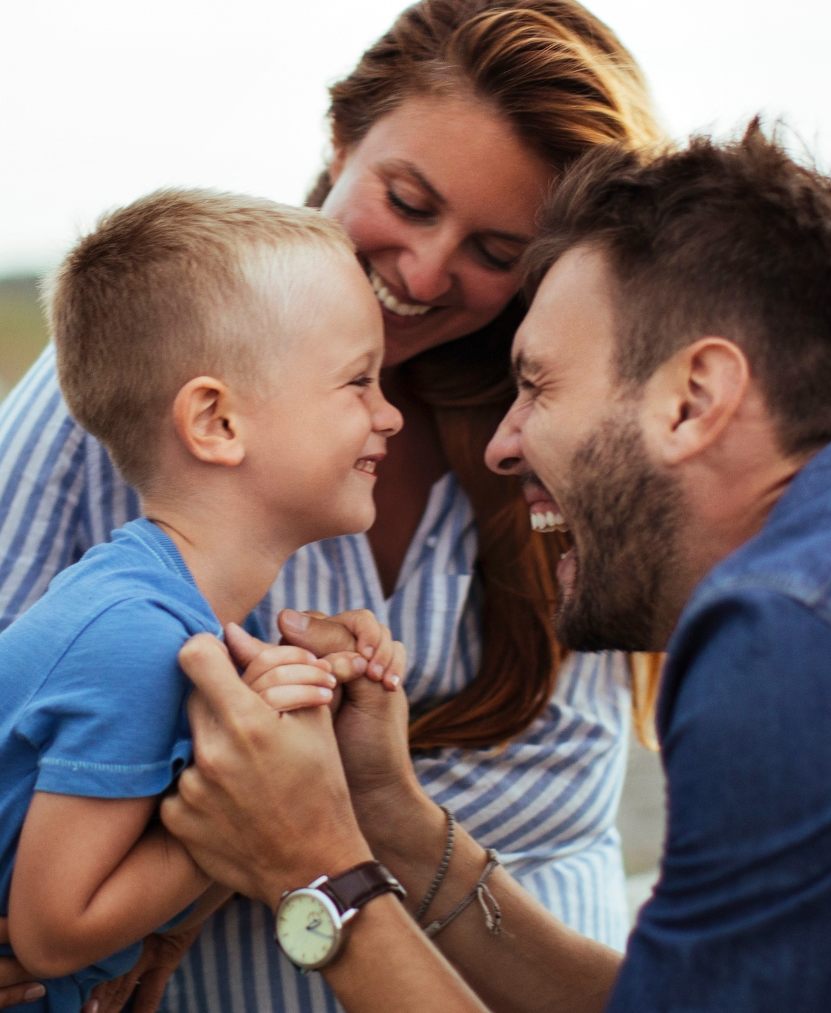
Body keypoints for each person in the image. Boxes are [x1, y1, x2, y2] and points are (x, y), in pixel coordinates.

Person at [154, 122, 831, 1010]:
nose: (501, 444)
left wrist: (315, 868)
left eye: (537, 385)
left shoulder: (808, 634)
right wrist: (389, 821)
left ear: (692, 399)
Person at [0, 1, 665, 1008]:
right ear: (342, 137)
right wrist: (264, 801)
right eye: (407, 198)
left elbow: (552, 793)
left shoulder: (563, 432)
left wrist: (281, 798)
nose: (426, 269)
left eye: (495, 252)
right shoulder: (134, 377)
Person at [0, 188, 410, 1011]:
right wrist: (247, 817)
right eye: (358, 382)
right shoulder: (134, 641)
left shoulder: (213, 623)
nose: (390, 414)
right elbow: (51, 930)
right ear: (218, 422)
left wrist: (314, 715)